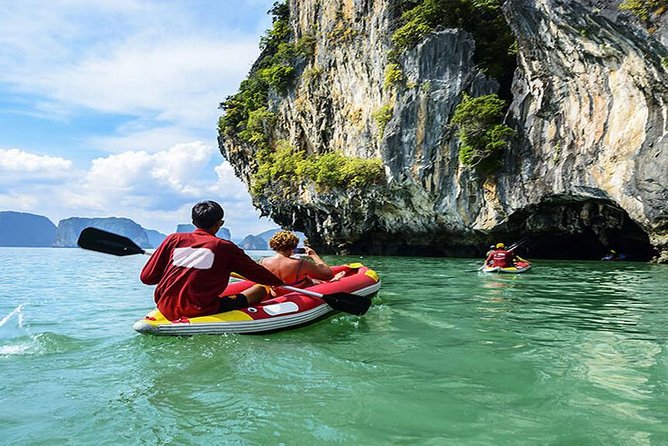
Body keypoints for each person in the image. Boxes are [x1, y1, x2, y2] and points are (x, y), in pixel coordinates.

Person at [139, 200, 284, 321]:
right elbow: (257, 273)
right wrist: (278, 283)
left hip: (165, 306)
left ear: (193, 222)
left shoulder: (173, 239)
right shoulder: (224, 247)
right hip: (200, 309)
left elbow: (147, 278)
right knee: (259, 289)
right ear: (220, 223)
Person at [255, 230, 334, 298]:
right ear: (293, 246)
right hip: (296, 295)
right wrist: (313, 255)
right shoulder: (300, 263)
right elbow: (328, 275)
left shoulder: (263, 261)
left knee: (310, 279)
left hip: (276, 294)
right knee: (315, 281)